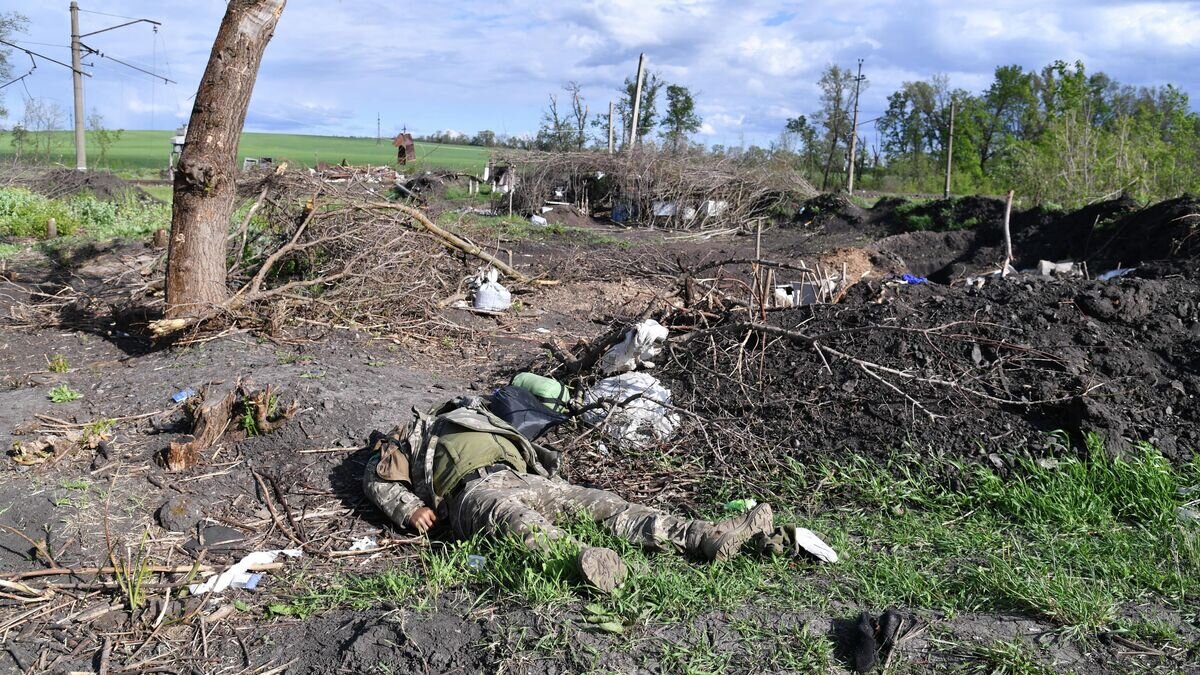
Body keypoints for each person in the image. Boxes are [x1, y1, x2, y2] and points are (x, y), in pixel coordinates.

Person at [362, 384, 832, 592]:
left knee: (607, 504)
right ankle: (582, 561)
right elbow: (377, 480)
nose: (460, 404)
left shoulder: (486, 419)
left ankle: (705, 535)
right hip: (474, 493)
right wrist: (408, 510)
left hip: (530, 479)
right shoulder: (418, 434)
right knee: (516, 521)